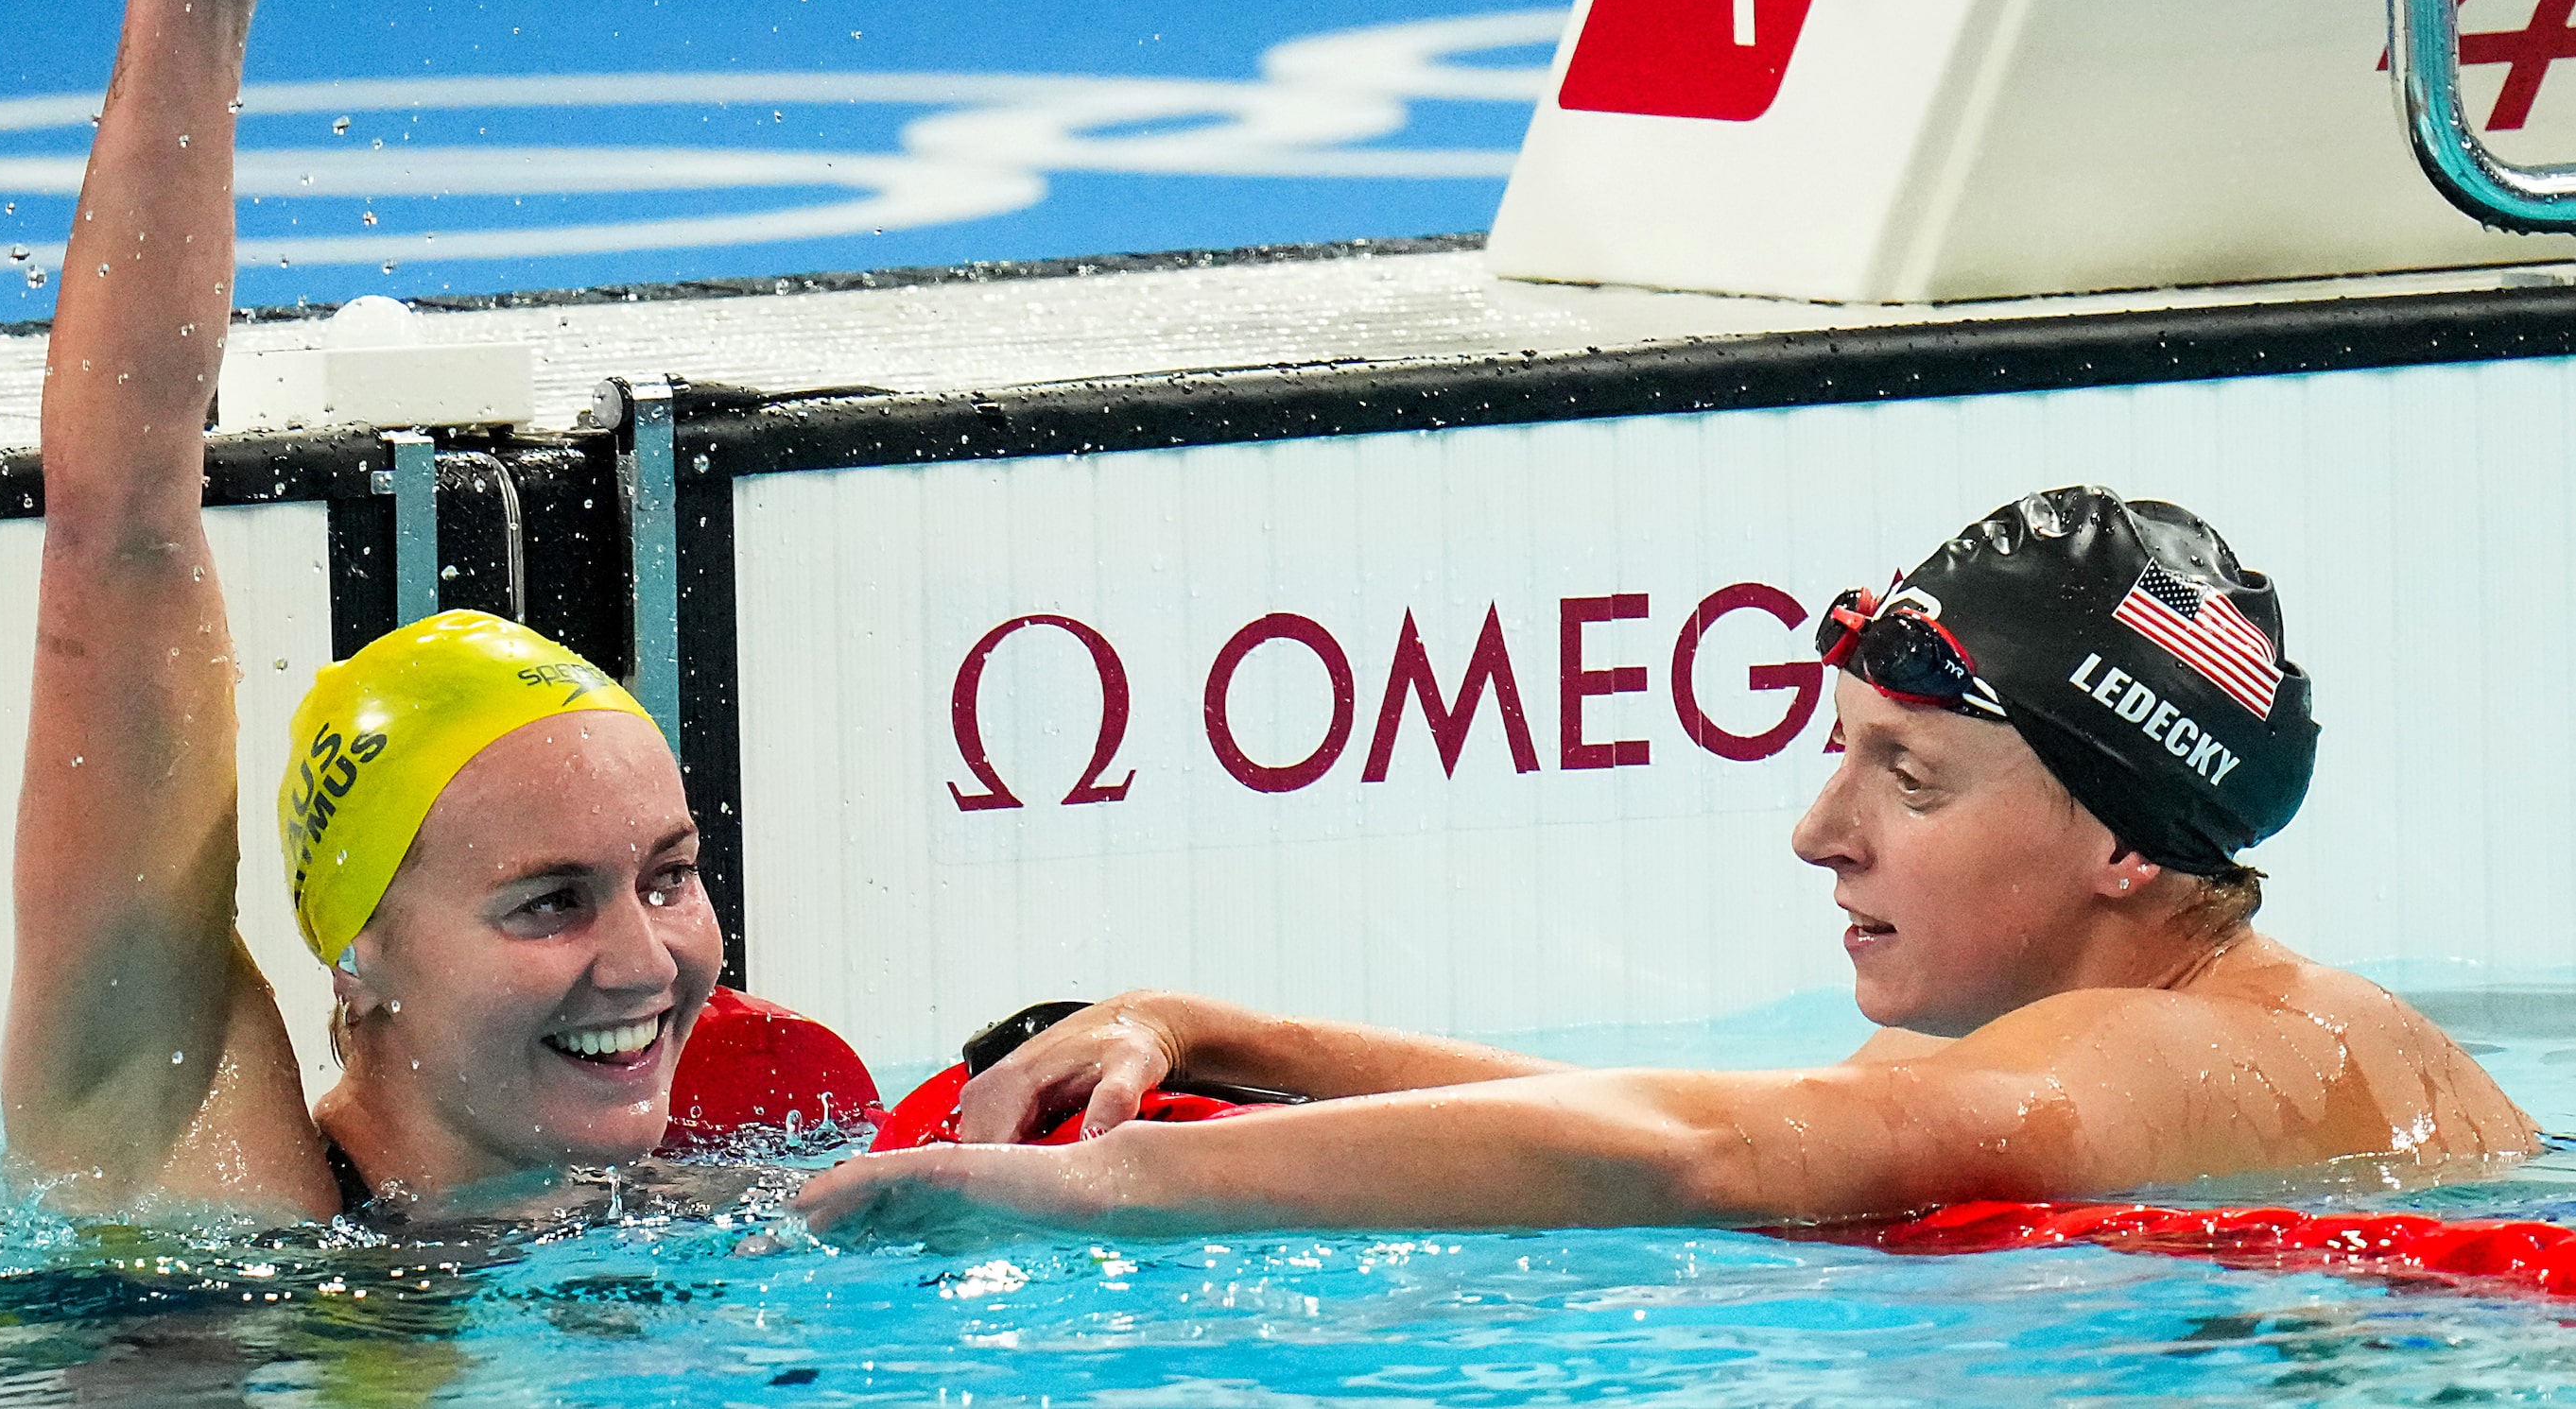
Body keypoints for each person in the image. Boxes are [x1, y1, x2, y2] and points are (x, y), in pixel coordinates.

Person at [795, 488, 2538, 1237]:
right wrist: (1215, 1031)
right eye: (1835, 748)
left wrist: (1105, 1198)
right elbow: (1641, 1114)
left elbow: (1692, 1159)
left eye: (1907, 777)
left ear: (2117, 842)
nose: (1816, 828)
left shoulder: (2142, 1059)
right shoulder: (2224, 1028)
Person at [2, 0, 728, 1221]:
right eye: (548, 903)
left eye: (667, 873)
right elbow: (117, 516)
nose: (644, 960)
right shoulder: (206, 1164)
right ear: (364, 956)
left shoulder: (715, 1210)